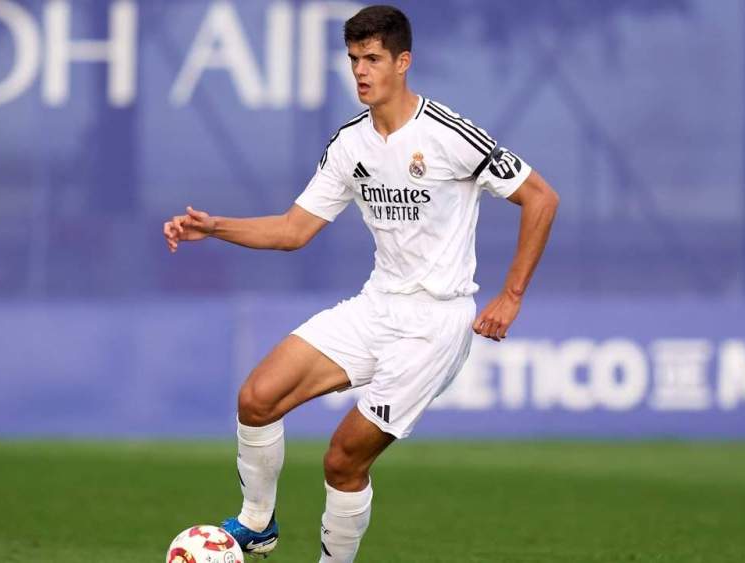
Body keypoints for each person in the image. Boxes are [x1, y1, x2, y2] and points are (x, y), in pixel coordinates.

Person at [162, 5, 559, 561]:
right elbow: (294, 230)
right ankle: (257, 522)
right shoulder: (350, 144)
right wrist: (215, 227)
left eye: (372, 59)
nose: (361, 71)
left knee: (343, 459)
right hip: (377, 306)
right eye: (353, 59)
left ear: (403, 62)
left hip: (434, 324)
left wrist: (511, 296)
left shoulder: (448, 134)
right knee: (257, 398)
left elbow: (541, 197)